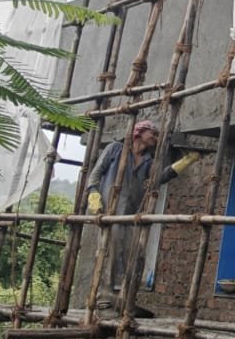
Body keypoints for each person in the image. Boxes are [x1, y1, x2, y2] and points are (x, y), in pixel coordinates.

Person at [85, 119, 199, 312]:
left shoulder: (148, 161)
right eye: (152, 134)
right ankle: (103, 296)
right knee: (109, 253)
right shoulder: (115, 149)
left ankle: (125, 298)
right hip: (111, 213)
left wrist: (185, 162)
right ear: (139, 132)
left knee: (135, 256)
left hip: (131, 216)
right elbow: (95, 174)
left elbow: (158, 179)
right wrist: (94, 194)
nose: (155, 138)